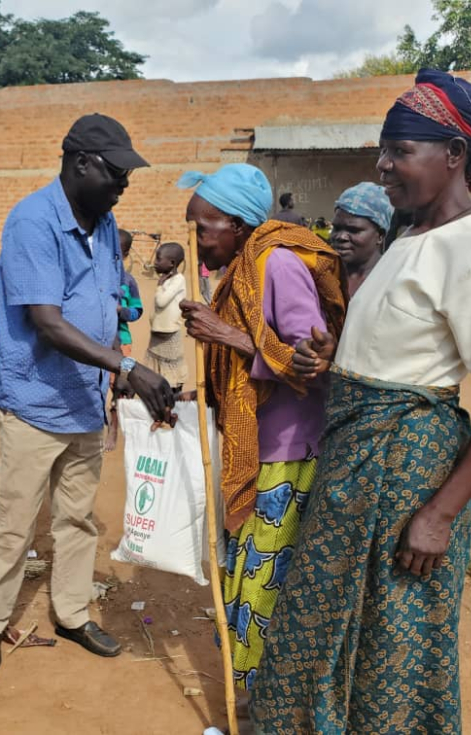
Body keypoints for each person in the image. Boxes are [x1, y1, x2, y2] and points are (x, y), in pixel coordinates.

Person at [251, 69, 471, 734]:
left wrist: (440, 512)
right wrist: (329, 360)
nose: (383, 164)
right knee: (321, 620)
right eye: (383, 148)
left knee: (392, 643)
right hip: (356, 462)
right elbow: (394, 351)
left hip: (406, 476)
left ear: (456, 157)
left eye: (400, 151)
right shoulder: (408, 238)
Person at [0, 113, 174, 675]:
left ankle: (72, 612)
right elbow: (47, 322)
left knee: (78, 518)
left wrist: (113, 375)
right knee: (16, 520)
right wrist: (128, 367)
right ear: (81, 163)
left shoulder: (106, 223)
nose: (123, 184)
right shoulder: (32, 222)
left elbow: (106, 303)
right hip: (36, 403)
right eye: (116, 172)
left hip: (85, 400)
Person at [178, 163, 347, 697]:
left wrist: (226, 334)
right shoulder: (240, 270)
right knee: (244, 578)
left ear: (237, 224)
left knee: (260, 590)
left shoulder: (278, 264)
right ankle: (252, 698)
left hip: (286, 453)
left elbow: (312, 368)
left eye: (202, 228)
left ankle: (261, 708)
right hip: (256, 448)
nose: (196, 241)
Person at [104, 227, 144, 452]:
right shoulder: (95, 277)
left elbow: (138, 311)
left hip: (121, 342)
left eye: (117, 252)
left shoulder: (128, 282)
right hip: (97, 341)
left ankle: (115, 428)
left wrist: (121, 311)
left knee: (120, 385)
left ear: (126, 254)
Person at [329, 181, 394, 295]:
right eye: (337, 228)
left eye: (354, 230)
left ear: (380, 236)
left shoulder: (393, 280)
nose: (341, 237)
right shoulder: (323, 275)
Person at [146, 241, 188, 391]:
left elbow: (161, 301)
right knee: (156, 372)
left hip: (169, 333)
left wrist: (159, 286)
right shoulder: (168, 279)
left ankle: (173, 400)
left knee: (172, 373)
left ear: (171, 263)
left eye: (158, 259)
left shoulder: (178, 280)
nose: (155, 263)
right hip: (158, 333)